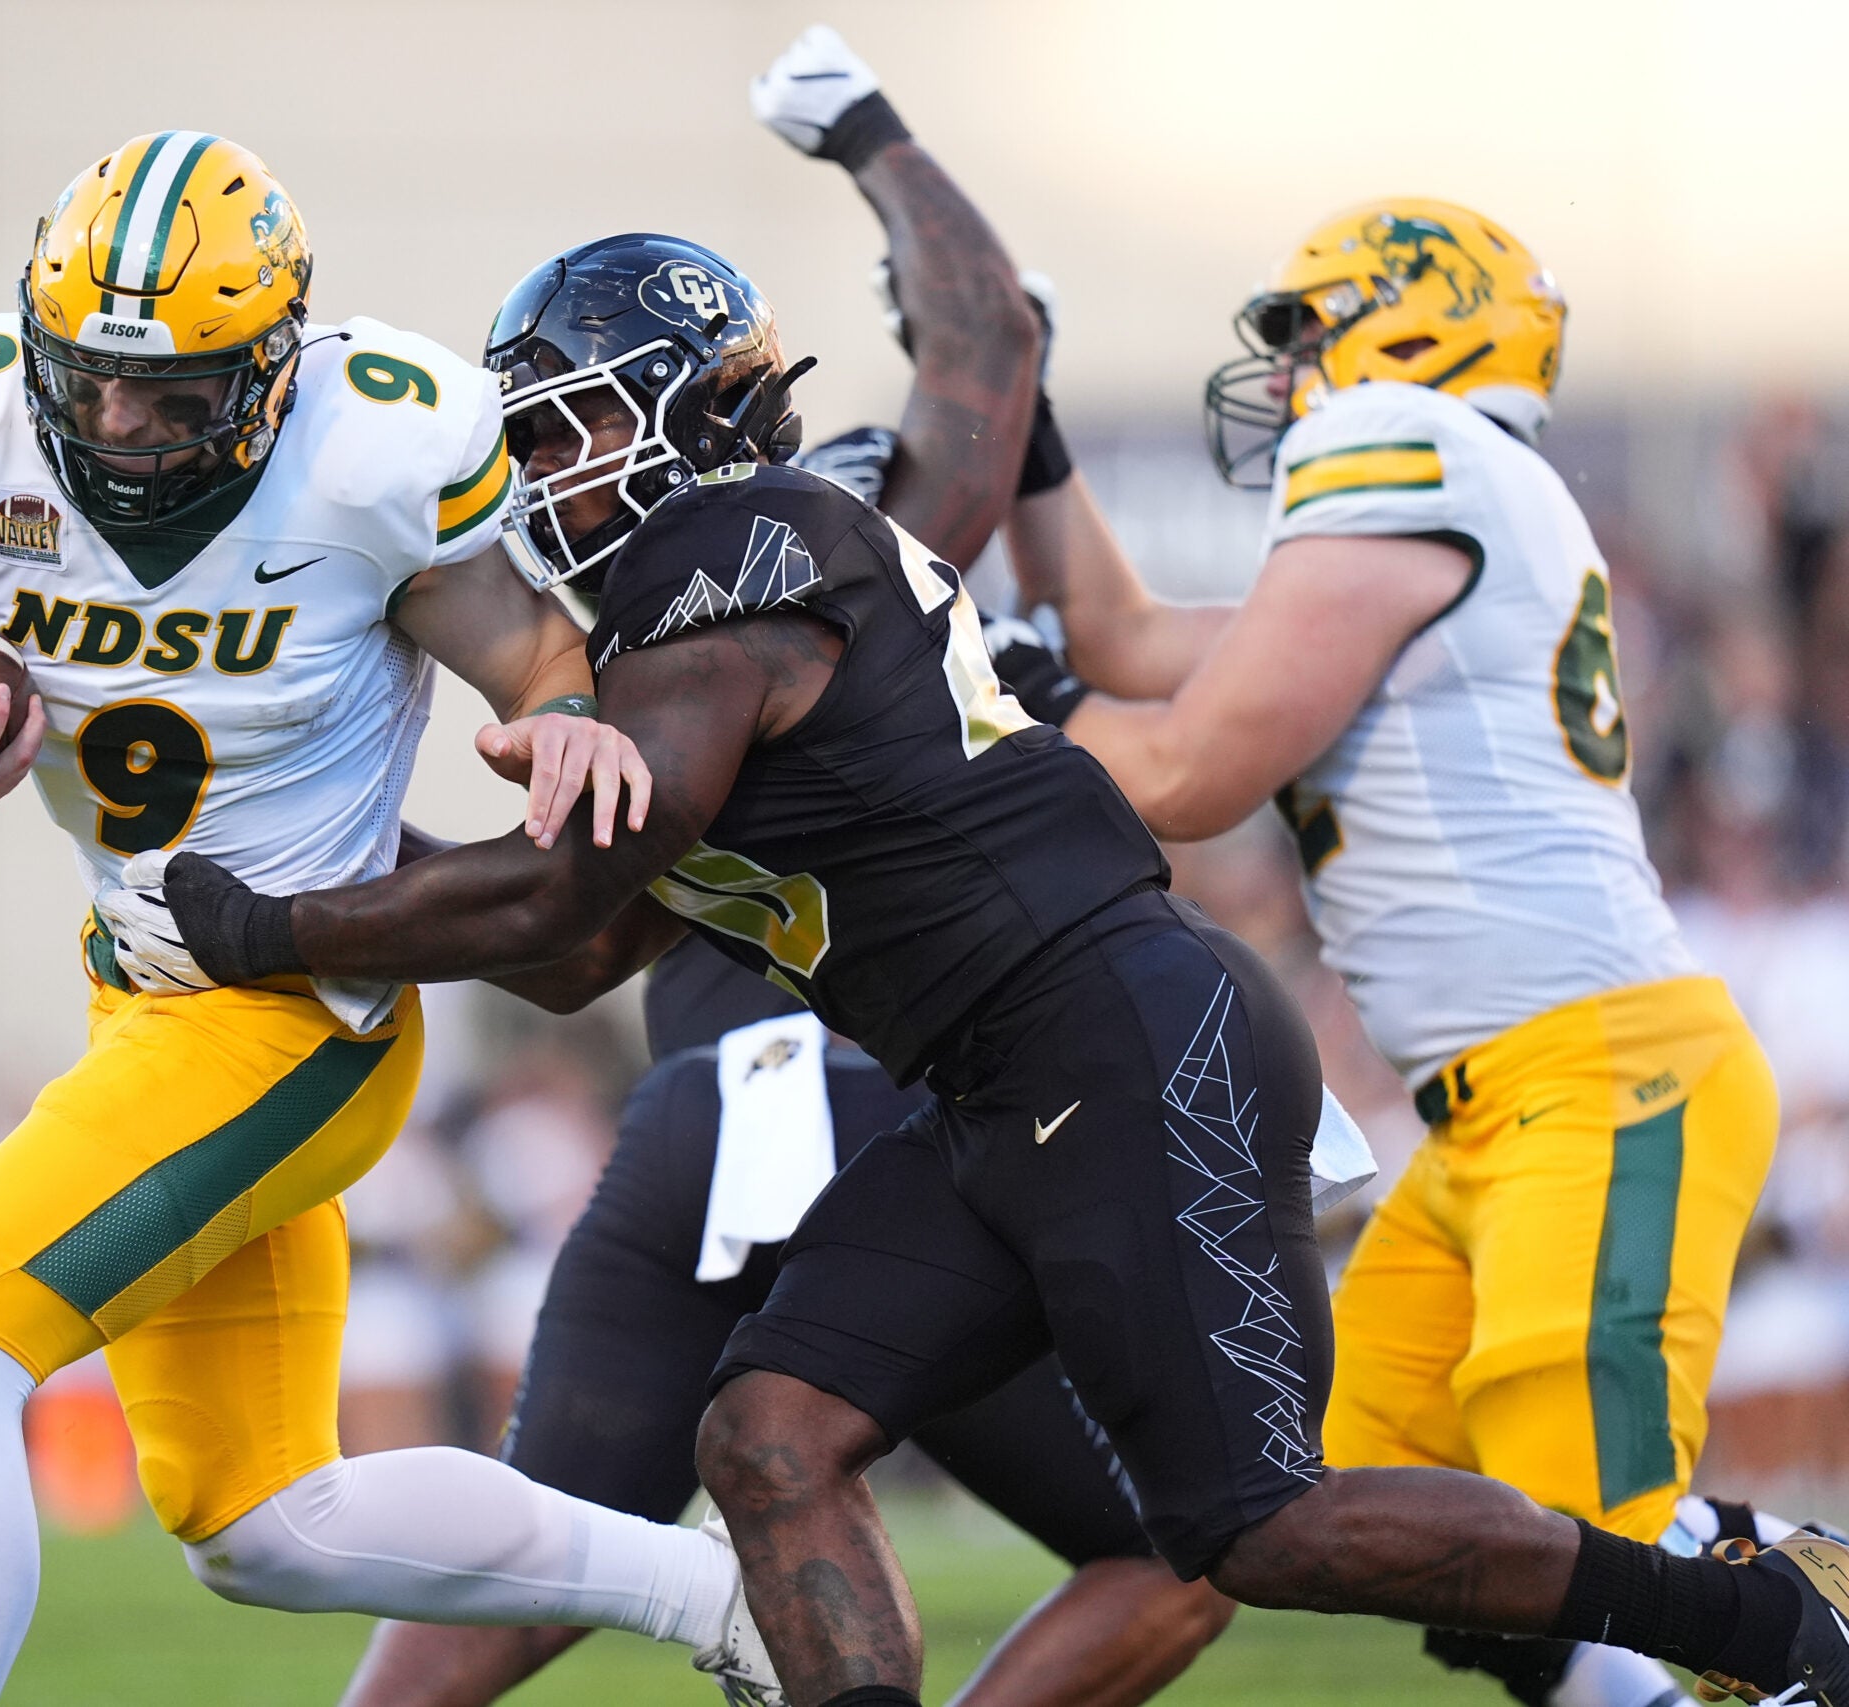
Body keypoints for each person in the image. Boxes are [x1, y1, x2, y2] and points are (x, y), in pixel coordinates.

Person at [118, 212, 1849, 1707]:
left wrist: (264, 922)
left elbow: (561, 902)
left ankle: (1757, 1609)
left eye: (576, 431)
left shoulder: (731, 554)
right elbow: (590, 953)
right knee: (770, 1435)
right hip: (1003, 1081)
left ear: (696, 411)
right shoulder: (690, 610)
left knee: (1259, 1527)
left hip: (1116, 1038)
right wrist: (359, 869)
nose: (547, 476)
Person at [0, 132, 790, 1707]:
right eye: (92, 380)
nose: (125, 424)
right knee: (263, 1520)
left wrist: (558, 717)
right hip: (138, 995)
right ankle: (710, 1592)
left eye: (179, 394)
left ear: (275, 369)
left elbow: (539, 659)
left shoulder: (371, 458)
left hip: (300, 1012)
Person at [336, 32, 1230, 1706]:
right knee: (1180, 1547)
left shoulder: (669, 609)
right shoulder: (821, 556)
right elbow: (990, 340)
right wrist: (873, 133)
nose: (546, 474)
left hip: (700, 1105)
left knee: (545, 1543)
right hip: (895, 1095)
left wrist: (310, 864)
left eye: (577, 427)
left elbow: (558, 946)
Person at [990, 198, 1789, 1707]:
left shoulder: (1411, 448)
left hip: (1601, 1078)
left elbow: (1190, 774)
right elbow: (1120, 635)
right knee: (1335, 1504)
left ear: (1415, 325)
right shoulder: (1452, 501)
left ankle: (1804, 1639)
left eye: (1305, 335)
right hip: (1491, 1112)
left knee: (1594, 1547)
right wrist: (1023, 422)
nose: (1288, 377)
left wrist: (989, 700)